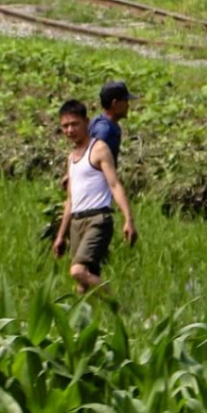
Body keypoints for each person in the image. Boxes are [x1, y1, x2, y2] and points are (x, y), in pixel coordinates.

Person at [51, 88, 137, 296]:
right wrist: (61, 236)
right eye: (65, 126)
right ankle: (92, 321)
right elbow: (70, 201)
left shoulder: (99, 149)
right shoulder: (71, 158)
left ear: (86, 122)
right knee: (83, 286)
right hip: (77, 222)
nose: (70, 130)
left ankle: (120, 308)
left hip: (98, 219)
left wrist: (128, 219)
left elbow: (115, 184)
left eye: (74, 124)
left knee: (78, 271)